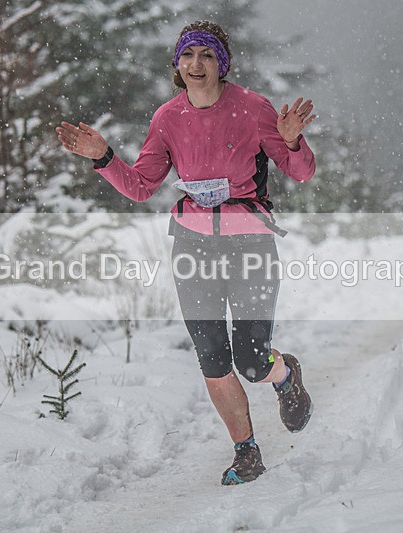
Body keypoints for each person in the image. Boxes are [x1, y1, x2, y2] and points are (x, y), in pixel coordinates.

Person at [55, 20, 316, 485]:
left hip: (249, 241)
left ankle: (283, 376)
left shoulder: (253, 109)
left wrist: (293, 140)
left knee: (252, 359)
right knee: (213, 357)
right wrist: (104, 157)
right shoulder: (167, 118)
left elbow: (299, 173)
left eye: (207, 55)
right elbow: (140, 186)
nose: (197, 65)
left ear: (222, 64)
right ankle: (246, 452)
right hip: (193, 246)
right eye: (188, 55)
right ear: (177, 64)